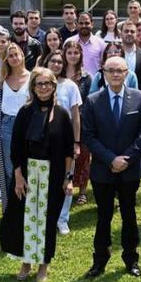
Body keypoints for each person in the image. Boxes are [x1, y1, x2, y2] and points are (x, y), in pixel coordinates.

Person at [0, 68, 75, 282]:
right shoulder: (25, 112)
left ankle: (44, 265)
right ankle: (26, 262)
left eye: (48, 84)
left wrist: (67, 178)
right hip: (28, 173)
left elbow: (69, 150)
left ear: (54, 86)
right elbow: (16, 147)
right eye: (39, 84)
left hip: (53, 174)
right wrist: (18, 176)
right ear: (33, 87)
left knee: (48, 220)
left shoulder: (62, 115)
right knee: (26, 219)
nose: (44, 88)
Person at [82, 56, 141, 278]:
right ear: (103, 73)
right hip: (103, 170)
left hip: (130, 169)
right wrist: (111, 159)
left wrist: (127, 159)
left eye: (119, 70)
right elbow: (89, 136)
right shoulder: (92, 101)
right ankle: (100, 259)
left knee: (129, 215)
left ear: (126, 73)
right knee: (104, 216)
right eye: (110, 70)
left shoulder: (139, 98)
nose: (114, 74)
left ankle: (131, 259)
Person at [44, 50, 84, 235]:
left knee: (66, 179)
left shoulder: (70, 86)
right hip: (43, 141)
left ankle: (62, 219)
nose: (57, 65)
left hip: (65, 140)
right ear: (47, 62)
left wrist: (76, 142)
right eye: (53, 61)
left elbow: (75, 117)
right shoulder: (39, 83)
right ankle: (46, 217)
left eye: (60, 62)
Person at [0, 42, 31, 210]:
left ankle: (28, 206)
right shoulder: (0, 80)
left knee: (27, 167)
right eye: (10, 55)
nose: (14, 58)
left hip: (27, 127)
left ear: (22, 56)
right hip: (6, 126)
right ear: (5, 59)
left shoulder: (32, 77)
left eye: (16, 54)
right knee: (10, 169)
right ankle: (12, 208)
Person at [60, 40, 94, 208]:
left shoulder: (87, 77)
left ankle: (82, 192)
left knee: (83, 157)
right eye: (70, 53)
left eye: (76, 53)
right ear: (64, 55)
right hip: (62, 123)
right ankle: (66, 184)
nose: (73, 56)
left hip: (82, 122)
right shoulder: (58, 74)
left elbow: (89, 101)